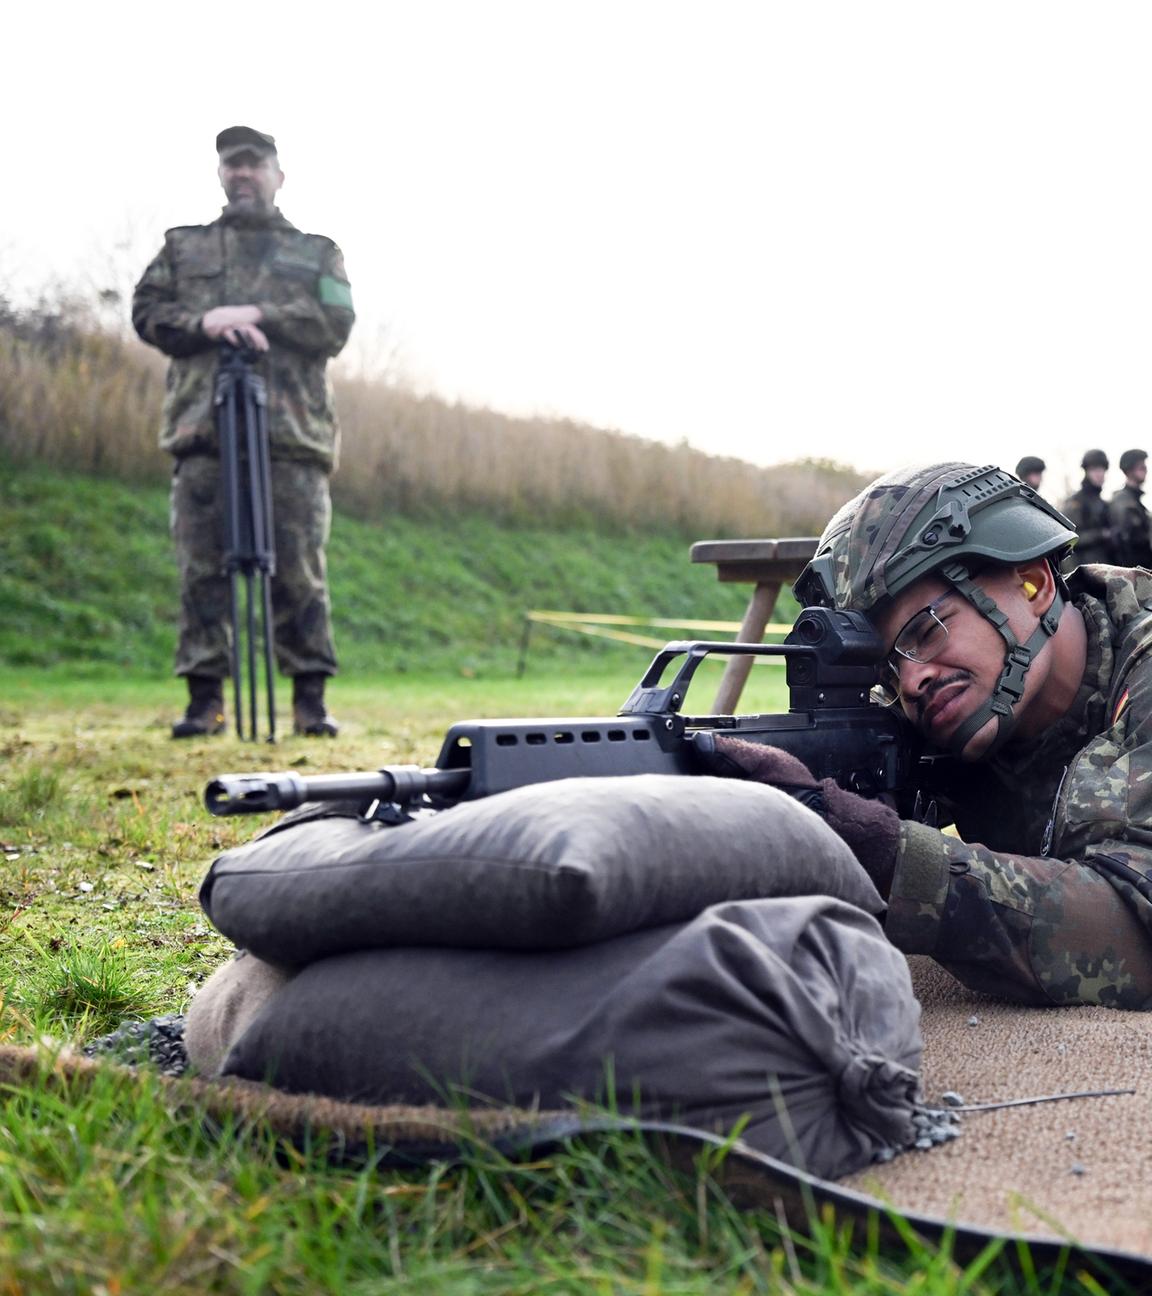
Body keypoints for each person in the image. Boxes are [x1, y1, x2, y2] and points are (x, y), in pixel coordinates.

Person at [708, 462, 1152, 1009]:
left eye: (927, 630)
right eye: (888, 672)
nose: (911, 682)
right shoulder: (950, 716)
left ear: (1033, 583)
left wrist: (890, 857)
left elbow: (1137, 931)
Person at [132, 125, 355, 738]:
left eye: (255, 164)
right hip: (203, 432)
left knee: (300, 571)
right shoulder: (184, 247)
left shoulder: (317, 251)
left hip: (292, 437)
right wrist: (207, 322)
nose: (243, 174)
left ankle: (310, 702)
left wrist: (259, 314)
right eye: (233, 164)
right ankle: (205, 702)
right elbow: (146, 312)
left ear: (279, 176)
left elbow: (336, 322)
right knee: (201, 570)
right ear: (221, 175)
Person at [1060, 449, 1112, 565]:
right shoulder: (1076, 502)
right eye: (1094, 469)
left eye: (1102, 469)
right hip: (1083, 567)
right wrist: (1101, 534)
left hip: (1104, 565)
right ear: (1086, 471)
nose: (1099, 474)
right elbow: (1068, 538)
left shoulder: (1103, 503)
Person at [1108, 449, 1152, 569]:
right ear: (1129, 470)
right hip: (1134, 570)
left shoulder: (1135, 500)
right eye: (1141, 467)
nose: (1145, 469)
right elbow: (1124, 540)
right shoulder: (1122, 500)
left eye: (1145, 466)